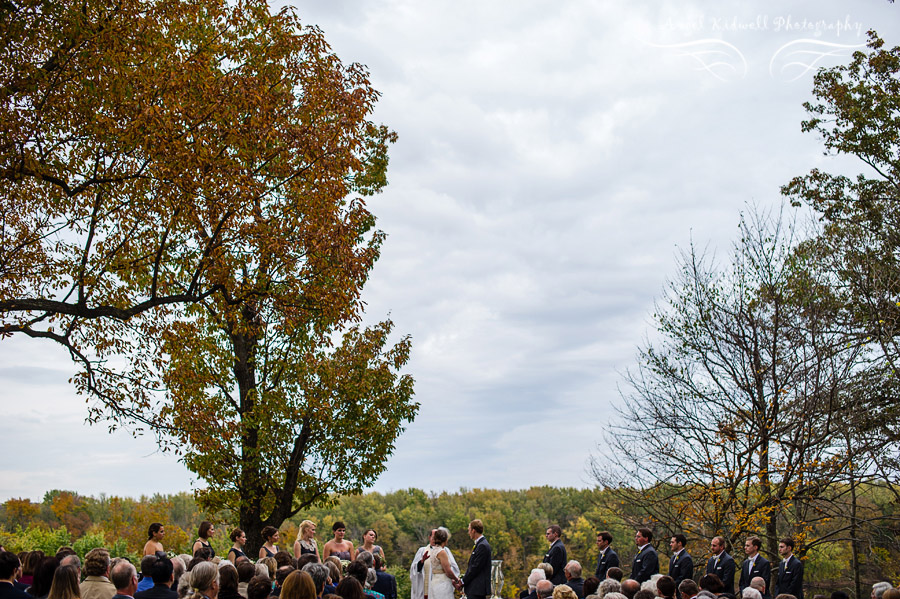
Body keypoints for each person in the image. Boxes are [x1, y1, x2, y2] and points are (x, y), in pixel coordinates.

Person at [460, 519, 492, 599]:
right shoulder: (480, 544)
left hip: (477, 589)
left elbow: (475, 567)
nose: (468, 533)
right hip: (475, 589)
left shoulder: (482, 546)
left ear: (473, 531)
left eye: (469, 530)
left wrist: (463, 581)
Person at [426, 529, 461, 599]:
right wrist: (456, 579)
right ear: (445, 539)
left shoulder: (433, 550)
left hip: (435, 581)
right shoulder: (442, 552)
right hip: (442, 582)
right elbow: (448, 571)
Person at [409, 530, 433, 599]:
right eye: (433, 537)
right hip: (423, 590)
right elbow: (414, 569)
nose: (435, 540)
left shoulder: (445, 551)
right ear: (429, 537)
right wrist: (422, 561)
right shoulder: (422, 550)